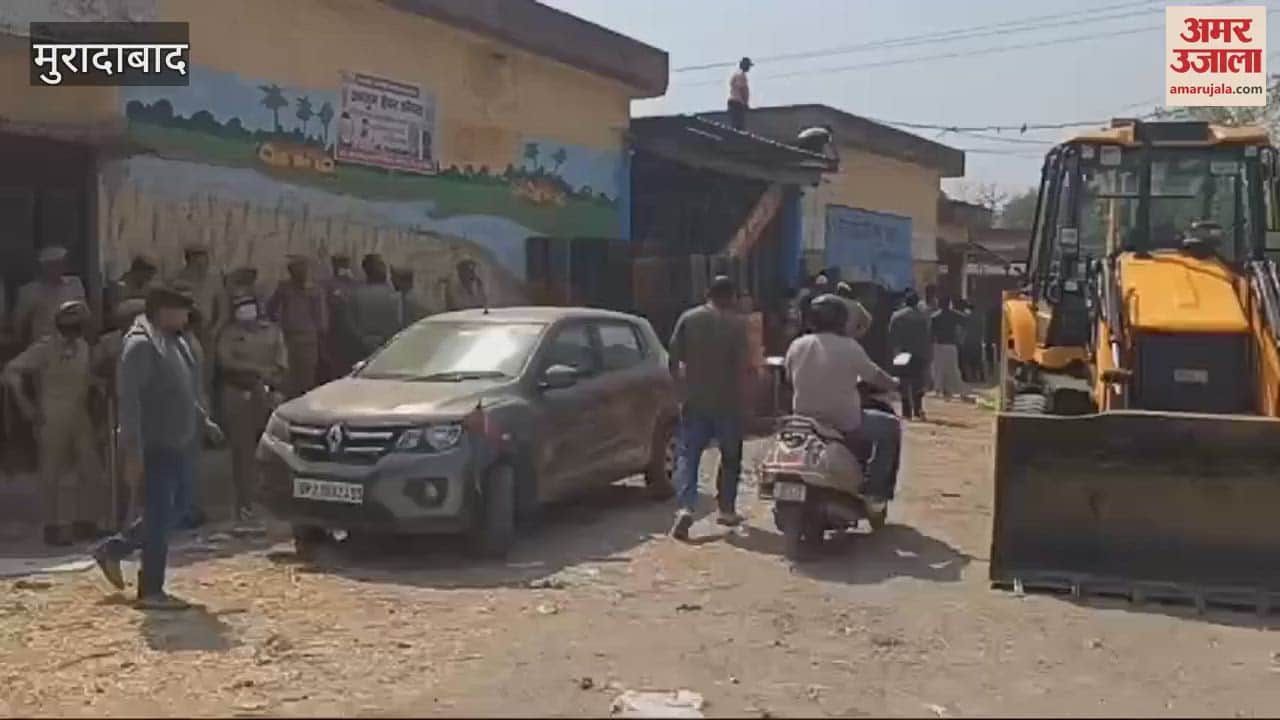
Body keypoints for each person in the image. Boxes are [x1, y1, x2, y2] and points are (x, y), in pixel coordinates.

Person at [92, 285, 223, 611]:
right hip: (156, 444)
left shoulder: (175, 341)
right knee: (161, 515)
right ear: (162, 310)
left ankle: (116, 550)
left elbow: (183, 389)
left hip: (180, 440)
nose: (185, 316)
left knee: (176, 510)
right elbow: (130, 406)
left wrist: (203, 421)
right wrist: (132, 451)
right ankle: (151, 589)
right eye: (180, 310)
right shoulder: (140, 346)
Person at [784, 294, 902, 503]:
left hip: (804, 419)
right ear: (841, 319)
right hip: (844, 421)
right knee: (890, 427)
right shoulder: (850, 347)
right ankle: (875, 489)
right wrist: (894, 383)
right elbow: (875, 376)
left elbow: (788, 377)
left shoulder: (797, 345)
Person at [4, 300, 102, 546]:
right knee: (53, 471)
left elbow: (83, 376)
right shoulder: (45, 348)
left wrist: (98, 384)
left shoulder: (83, 347)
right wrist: (26, 405)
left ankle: (86, 521)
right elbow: (11, 371)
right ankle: (53, 525)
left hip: (79, 413)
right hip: (51, 413)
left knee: (90, 468)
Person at [668, 276, 749, 540]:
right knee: (730, 457)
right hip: (729, 403)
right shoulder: (738, 325)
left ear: (707, 293)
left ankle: (685, 507)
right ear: (732, 297)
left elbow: (673, 358)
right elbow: (745, 368)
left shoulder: (688, 319)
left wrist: (680, 390)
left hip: (695, 400)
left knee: (688, 457)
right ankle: (726, 509)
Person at [218, 293, 288, 523]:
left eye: (248, 305)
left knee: (271, 450)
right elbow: (225, 361)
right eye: (239, 306)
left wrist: (270, 380)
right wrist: (256, 370)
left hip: (267, 396)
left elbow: (281, 364)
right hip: (239, 395)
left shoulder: (273, 332)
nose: (244, 310)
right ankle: (244, 504)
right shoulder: (230, 334)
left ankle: (269, 503)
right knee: (242, 452)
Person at [94, 298, 148, 528]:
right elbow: (93, 370)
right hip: (117, 409)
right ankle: (117, 516)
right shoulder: (109, 343)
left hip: (147, 409)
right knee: (118, 467)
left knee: (143, 466)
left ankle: (139, 517)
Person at [267, 255, 326, 398]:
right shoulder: (284, 288)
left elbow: (322, 318)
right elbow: (271, 308)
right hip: (289, 338)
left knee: (306, 378)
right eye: (295, 270)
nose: (299, 273)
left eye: (302, 270)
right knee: (288, 377)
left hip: (307, 339)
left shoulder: (315, 291)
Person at [14, 245, 87, 346]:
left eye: (60, 264)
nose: (57, 268)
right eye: (53, 265)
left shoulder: (74, 284)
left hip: (73, 345)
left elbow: (84, 315)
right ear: (44, 267)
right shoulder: (29, 291)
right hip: (43, 347)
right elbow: (20, 325)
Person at [889, 290, 932, 421]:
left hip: (902, 352)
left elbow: (892, 335)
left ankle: (906, 412)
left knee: (904, 382)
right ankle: (918, 410)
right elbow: (927, 336)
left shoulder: (896, 316)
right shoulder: (923, 317)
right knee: (917, 383)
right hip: (919, 353)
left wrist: (894, 352)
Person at [169, 243, 220, 353]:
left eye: (205, 259)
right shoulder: (176, 280)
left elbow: (222, 312)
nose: (202, 264)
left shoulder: (215, 281)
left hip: (207, 332)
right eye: (197, 260)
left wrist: (214, 330)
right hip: (181, 331)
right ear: (188, 260)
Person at [349, 254, 403, 357]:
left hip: (367, 344)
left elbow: (351, 322)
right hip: (385, 345)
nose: (384, 268)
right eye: (381, 265)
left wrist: (362, 339)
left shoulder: (356, 293)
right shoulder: (393, 294)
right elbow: (398, 321)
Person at [322, 253, 361, 379]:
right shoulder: (328, 285)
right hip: (334, 331)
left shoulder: (355, 284)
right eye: (339, 264)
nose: (343, 267)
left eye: (345, 263)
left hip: (352, 332)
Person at [930, 296, 969, 400]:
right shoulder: (954, 315)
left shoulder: (935, 317)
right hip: (951, 345)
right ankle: (961, 392)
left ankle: (938, 390)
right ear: (949, 303)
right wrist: (961, 337)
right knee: (953, 370)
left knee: (938, 369)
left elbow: (931, 333)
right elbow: (966, 321)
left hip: (938, 345)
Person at [106, 254, 158, 321]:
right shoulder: (120, 285)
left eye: (151, 276)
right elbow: (116, 311)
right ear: (138, 271)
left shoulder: (147, 286)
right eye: (147, 276)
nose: (149, 279)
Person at [728, 57, 753, 130]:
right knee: (738, 125)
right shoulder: (741, 75)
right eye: (748, 65)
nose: (749, 68)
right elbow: (742, 89)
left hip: (733, 102)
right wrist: (745, 103)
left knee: (735, 123)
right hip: (737, 102)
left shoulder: (736, 74)